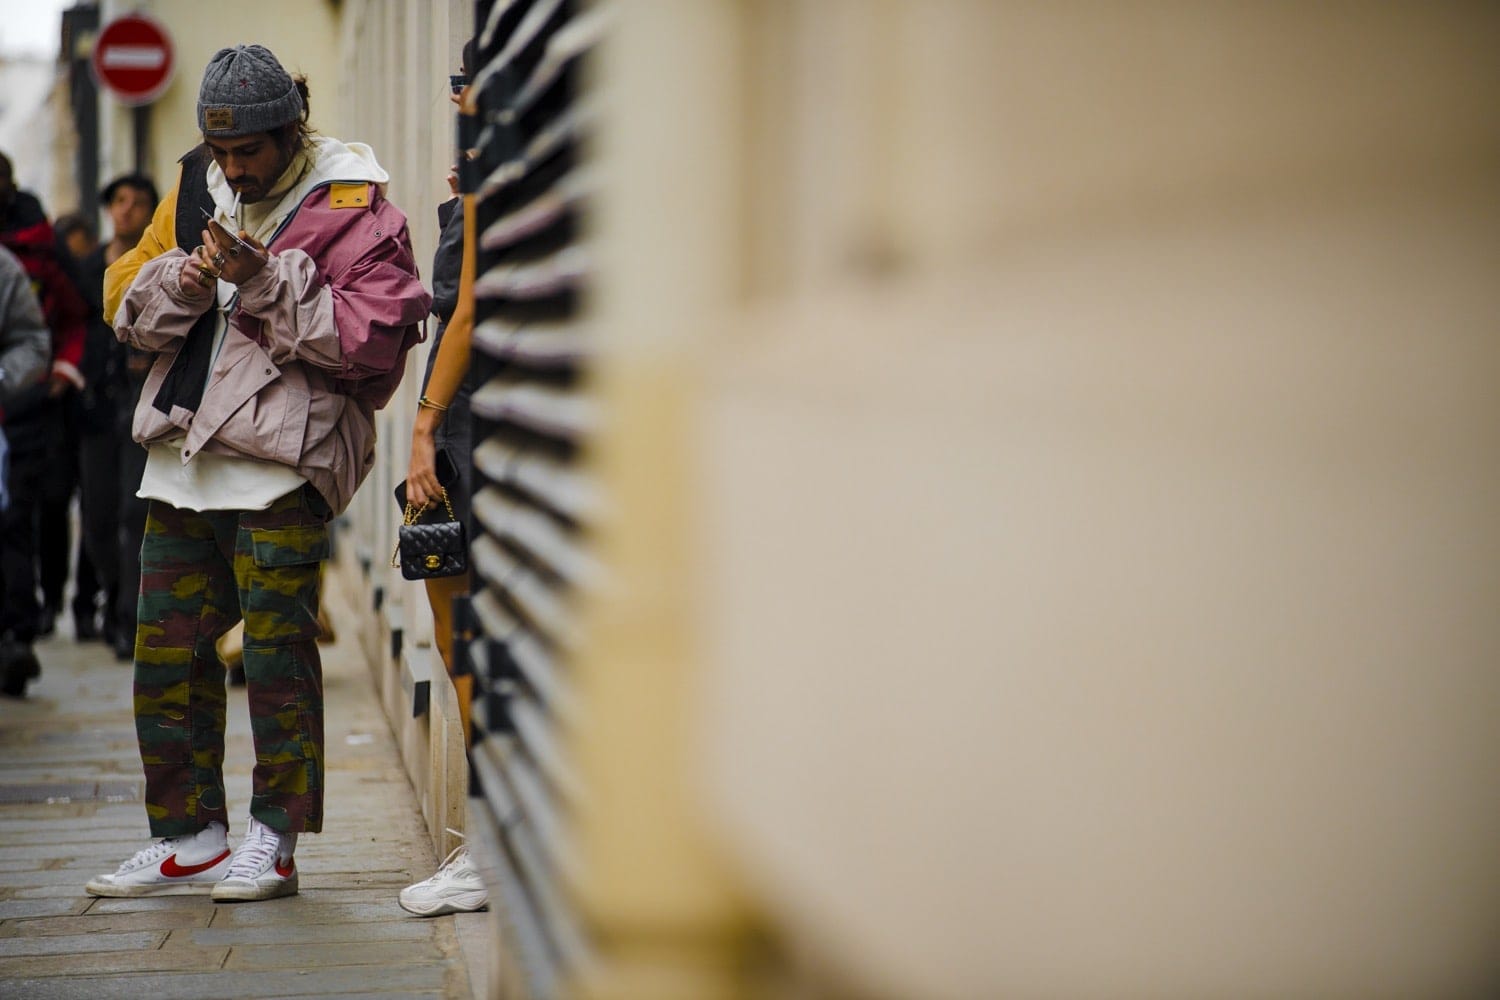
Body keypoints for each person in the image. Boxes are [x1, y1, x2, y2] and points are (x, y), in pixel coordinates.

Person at [85, 44, 430, 902]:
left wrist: (267, 281)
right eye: (220, 152)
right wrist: (194, 273)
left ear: (290, 131)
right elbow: (130, 314)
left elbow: (373, 344)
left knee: (276, 660)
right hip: (181, 462)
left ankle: (272, 841)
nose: (231, 169)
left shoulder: (357, 205)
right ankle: (190, 834)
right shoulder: (197, 183)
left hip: (280, 469)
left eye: (247, 153)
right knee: (165, 658)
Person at [397, 42, 490, 918]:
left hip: (467, 429)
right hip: (488, 428)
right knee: (461, 633)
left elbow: (464, 312)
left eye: (464, 88)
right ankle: (493, 845)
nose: (457, 103)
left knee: (462, 637)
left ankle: (489, 853)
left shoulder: (488, 188)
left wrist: (423, 427)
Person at [0, 151, 88, 689]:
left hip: (22, 414)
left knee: (19, 521)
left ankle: (17, 634)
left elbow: (70, 317)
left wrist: (59, 369)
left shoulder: (30, 252)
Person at [74, 174, 159, 653]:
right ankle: (113, 598)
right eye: (119, 201)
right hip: (92, 409)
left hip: (141, 406)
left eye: (138, 202)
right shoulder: (87, 270)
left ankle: (130, 617)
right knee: (98, 518)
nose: (127, 210)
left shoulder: (158, 265)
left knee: (134, 513)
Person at [0, 243, 49, 695]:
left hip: (10, 428)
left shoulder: (3, 267)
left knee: (11, 526)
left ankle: (15, 637)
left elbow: (32, 341)